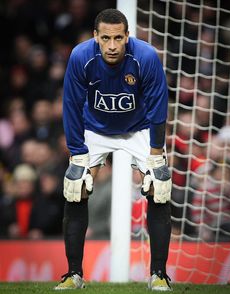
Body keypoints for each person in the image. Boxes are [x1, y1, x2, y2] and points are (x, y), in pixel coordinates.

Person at [55, 8, 172, 291]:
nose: (111, 45)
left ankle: (158, 274)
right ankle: (73, 274)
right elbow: (70, 104)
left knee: (160, 186)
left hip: (139, 128)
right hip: (94, 128)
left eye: (118, 38)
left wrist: (157, 151)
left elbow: (158, 106)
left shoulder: (145, 57)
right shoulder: (81, 56)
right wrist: (76, 150)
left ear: (127, 36)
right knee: (75, 186)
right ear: (95, 36)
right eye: (105, 38)